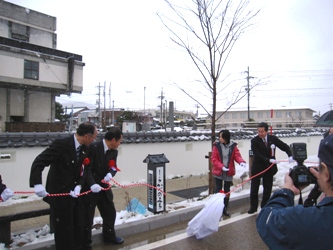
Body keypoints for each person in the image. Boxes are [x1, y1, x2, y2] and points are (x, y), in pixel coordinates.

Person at [29, 122, 99, 250]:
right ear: (87, 136)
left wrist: (79, 185)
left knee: (79, 226)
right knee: (63, 231)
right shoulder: (61, 144)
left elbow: (84, 169)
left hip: (75, 195)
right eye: (94, 136)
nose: (95, 139)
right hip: (59, 194)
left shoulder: (86, 148)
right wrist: (37, 183)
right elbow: (39, 162)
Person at [256, 133, 333, 249]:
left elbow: (267, 219)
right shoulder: (255, 141)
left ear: (326, 172)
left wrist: (287, 190)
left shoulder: (309, 220)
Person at [83, 127, 124, 248]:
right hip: (91, 188)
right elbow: (87, 168)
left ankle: (109, 236)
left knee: (110, 213)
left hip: (104, 187)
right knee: (87, 216)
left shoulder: (113, 152)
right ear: (113, 140)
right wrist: (92, 184)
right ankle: (85, 243)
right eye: (119, 140)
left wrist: (110, 174)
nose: (120, 143)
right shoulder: (93, 148)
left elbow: (113, 167)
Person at [248, 122, 293, 214]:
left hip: (269, 168)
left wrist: (290, 155)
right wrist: (268, 160)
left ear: (267, 131)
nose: (260, 133)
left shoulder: (273, 139)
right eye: (259, 131)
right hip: (258, 167)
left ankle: (264, 206)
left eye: (262, 132)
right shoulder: (254, 141)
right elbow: (257, 154)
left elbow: (284, 146)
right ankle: (253, 207)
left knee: (267, 188)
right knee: (254, 188)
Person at [211, 129, 247, 216]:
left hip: (228, 171)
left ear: (226, 137)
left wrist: (241, 162)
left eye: (221, 137)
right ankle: (217, 208)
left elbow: (237, 156)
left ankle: (225, 208)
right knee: (218, 190)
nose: (220, 138)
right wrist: (221, 166)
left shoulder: (233, 146)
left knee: (227, 191)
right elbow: (214, 159)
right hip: (219, 171)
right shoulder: (216, 146)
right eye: (219, 137)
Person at [304, 126, 333, 207]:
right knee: (319, 186)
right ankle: (308, 204)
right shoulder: (327, 138)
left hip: (328, 169)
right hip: (327, 166)